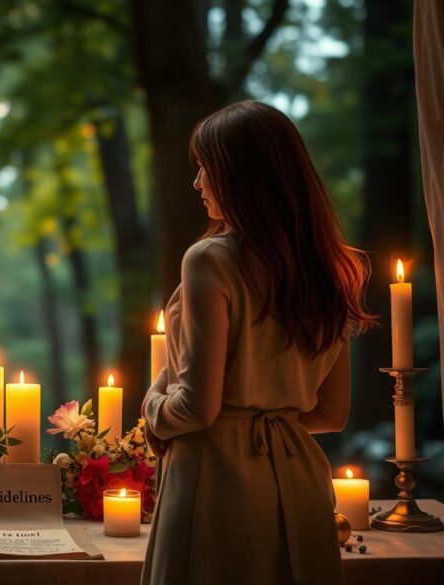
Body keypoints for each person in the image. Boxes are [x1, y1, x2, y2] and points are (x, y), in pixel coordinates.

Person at [140, 100, 374, 585]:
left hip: (216, 483)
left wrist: (152, 407)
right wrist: (269, 419)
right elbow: (331, 414)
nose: (197, 182)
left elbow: (198, 407)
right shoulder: (333, 269)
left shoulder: (208, 260)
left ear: (240, 174)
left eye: (205, 166)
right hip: (300, 483)